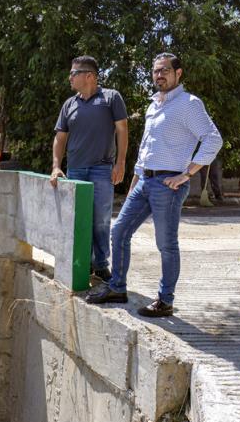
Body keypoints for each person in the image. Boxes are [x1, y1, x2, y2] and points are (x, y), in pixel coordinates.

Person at [85, 53, 222, 317]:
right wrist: (134, 184)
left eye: (165, 71)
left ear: (178, 73)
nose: (159, 75)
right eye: (156, 71)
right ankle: (117, 287)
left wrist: (187, 174)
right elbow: (146, 149)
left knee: (166, 244)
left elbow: (213, 139)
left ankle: (165, 300)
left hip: (168, 185)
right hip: (144, 181)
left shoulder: (189, 104)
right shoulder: (153, 105)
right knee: (119, 231)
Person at [50, 55, 129, 282]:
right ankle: (82, 264)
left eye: (73, 73)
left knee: (101, 220)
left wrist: (121, 162)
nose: (70, 77)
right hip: (75, 171)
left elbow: (123, 130)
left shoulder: (111, 98)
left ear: (89, 76)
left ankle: (101, 264)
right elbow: (60, 138)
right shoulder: (69, 104)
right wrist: (56, 166)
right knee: (78, 220)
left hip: (102, 170)